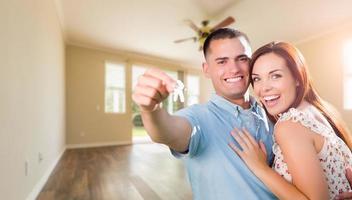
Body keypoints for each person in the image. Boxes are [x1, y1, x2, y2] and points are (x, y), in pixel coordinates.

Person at [132, 28, 277, 199]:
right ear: (206, 69)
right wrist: (151, 110)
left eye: (242, 59)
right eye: (222, 61)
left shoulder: (270, 111)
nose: (234, 69)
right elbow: (167, 131)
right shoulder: (198, 117)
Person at [229, 41, 352, 200]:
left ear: (297, 78)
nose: (264, 88)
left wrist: (260, 168)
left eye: (275, 76)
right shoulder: (316, 111)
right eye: (257, 79)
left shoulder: (290, 125)